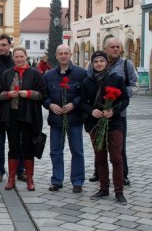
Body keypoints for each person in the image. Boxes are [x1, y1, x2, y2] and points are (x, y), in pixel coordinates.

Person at [81, 51, 129, 205]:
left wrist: (113, 111)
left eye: (101, 61)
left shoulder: (116, 79)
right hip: (95, 124)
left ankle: (119, 191)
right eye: (96, 61)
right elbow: (82, 102)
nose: (99, 64)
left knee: (116, 158)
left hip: (113, 123)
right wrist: (91, 110)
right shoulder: (87, 81)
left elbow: (125, 99)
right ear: (92, 64)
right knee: (100, 157)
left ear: (106, 63)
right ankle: (103, 188)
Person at [88, 37, 137, 186]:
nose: (115, 49)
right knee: (99, 145)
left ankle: (122, 175)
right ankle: (99, 172)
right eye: (112, 46)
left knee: (119, 146)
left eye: (118, 46)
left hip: (118, 113)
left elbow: (135, 85)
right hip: (98, 113)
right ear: (106, 49)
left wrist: (118, 95)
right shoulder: (97, 63)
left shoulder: (126, 65)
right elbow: (89, 82)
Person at [0, 46, 46, 191]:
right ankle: (11, 178)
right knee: (13, 147)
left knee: (28, 147)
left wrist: (29, 94)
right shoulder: (7, 74)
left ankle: (30, 179)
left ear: (26, 57)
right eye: (16, 57)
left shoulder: (36, 74)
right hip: (11, 116)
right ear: (13, 58)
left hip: (29, 116)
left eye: (21, 56)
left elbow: (43, 94)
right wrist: (7, 94)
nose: (19, 59)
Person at [43, 44, 86, 193]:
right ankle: (57, 180)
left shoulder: (81, 73)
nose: (63, 56)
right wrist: (50, 105)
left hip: (74, 119)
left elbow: (86, 95)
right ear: (56, 55)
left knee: (77, 151)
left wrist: (74, 104)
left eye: (66, 53)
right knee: (55, 151)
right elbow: (44, 96)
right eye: (60, 53)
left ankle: (77, 181)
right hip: (56, 119)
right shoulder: (48, 75)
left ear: (70, 54)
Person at [0, 34, 26, 183]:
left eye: (4, 45)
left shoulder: (16, 61)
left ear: (10, 45)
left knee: (17, 141)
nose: (1, 48)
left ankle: (20, 170)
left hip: (16, 109)